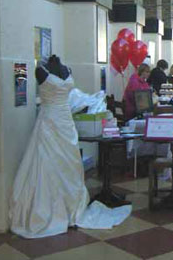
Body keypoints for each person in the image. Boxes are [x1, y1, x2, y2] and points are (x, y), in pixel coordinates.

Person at [9, 55, 131, 238]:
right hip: (51, 120)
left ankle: (69, 206)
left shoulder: (61, 69)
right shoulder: (41, 71)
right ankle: (52, 207)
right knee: (47, 162)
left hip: (64, 121)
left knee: (68, 163)